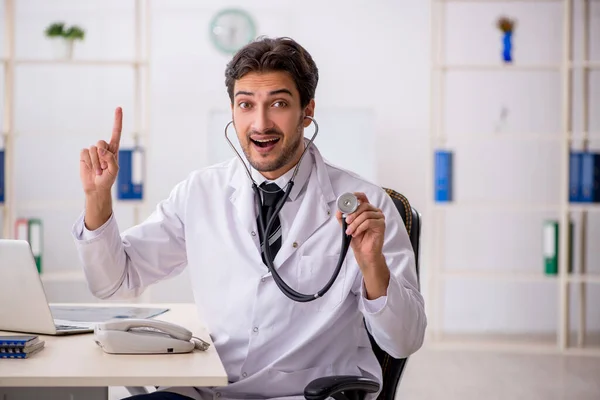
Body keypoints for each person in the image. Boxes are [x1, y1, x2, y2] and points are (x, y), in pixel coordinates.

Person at [73, 36, 426, 400]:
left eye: (278, 103)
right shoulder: (200, 192)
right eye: (246, 104)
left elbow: (404, 341)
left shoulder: (368, 205)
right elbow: (114, 282)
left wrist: (372, 266)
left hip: (302, 394)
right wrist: (97, 199)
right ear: (233, 111)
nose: (260, 123)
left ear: (308, 111)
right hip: (208, 390)